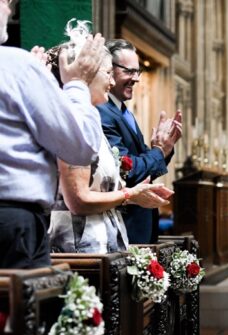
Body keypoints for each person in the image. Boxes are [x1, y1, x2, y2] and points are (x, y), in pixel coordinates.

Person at [45, 23, 170, 254]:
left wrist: (136, 196)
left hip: (106, 243)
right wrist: (129, 194)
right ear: (88, 74)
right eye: (107, 73)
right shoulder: (74, 121)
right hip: (81, 244)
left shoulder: (91, 119)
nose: (111, 82)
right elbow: (79, 200)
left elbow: (102, 185)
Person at [0, 0, 107, 268]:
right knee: (20, 307)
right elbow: (79, 147)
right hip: (12, 222)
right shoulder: (16, 66)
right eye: (4, 1)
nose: (10, 8)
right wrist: (77, 85)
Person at [97, 38, 183, 245]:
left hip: (138, 221)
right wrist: (158, 151)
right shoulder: (103, 112)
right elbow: (128, 170)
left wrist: (164, 149)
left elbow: (145, 166)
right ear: (109, 69)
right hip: (125, 222)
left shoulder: (122, 111)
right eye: (129, 71)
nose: (136, 79)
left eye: (138, 72)